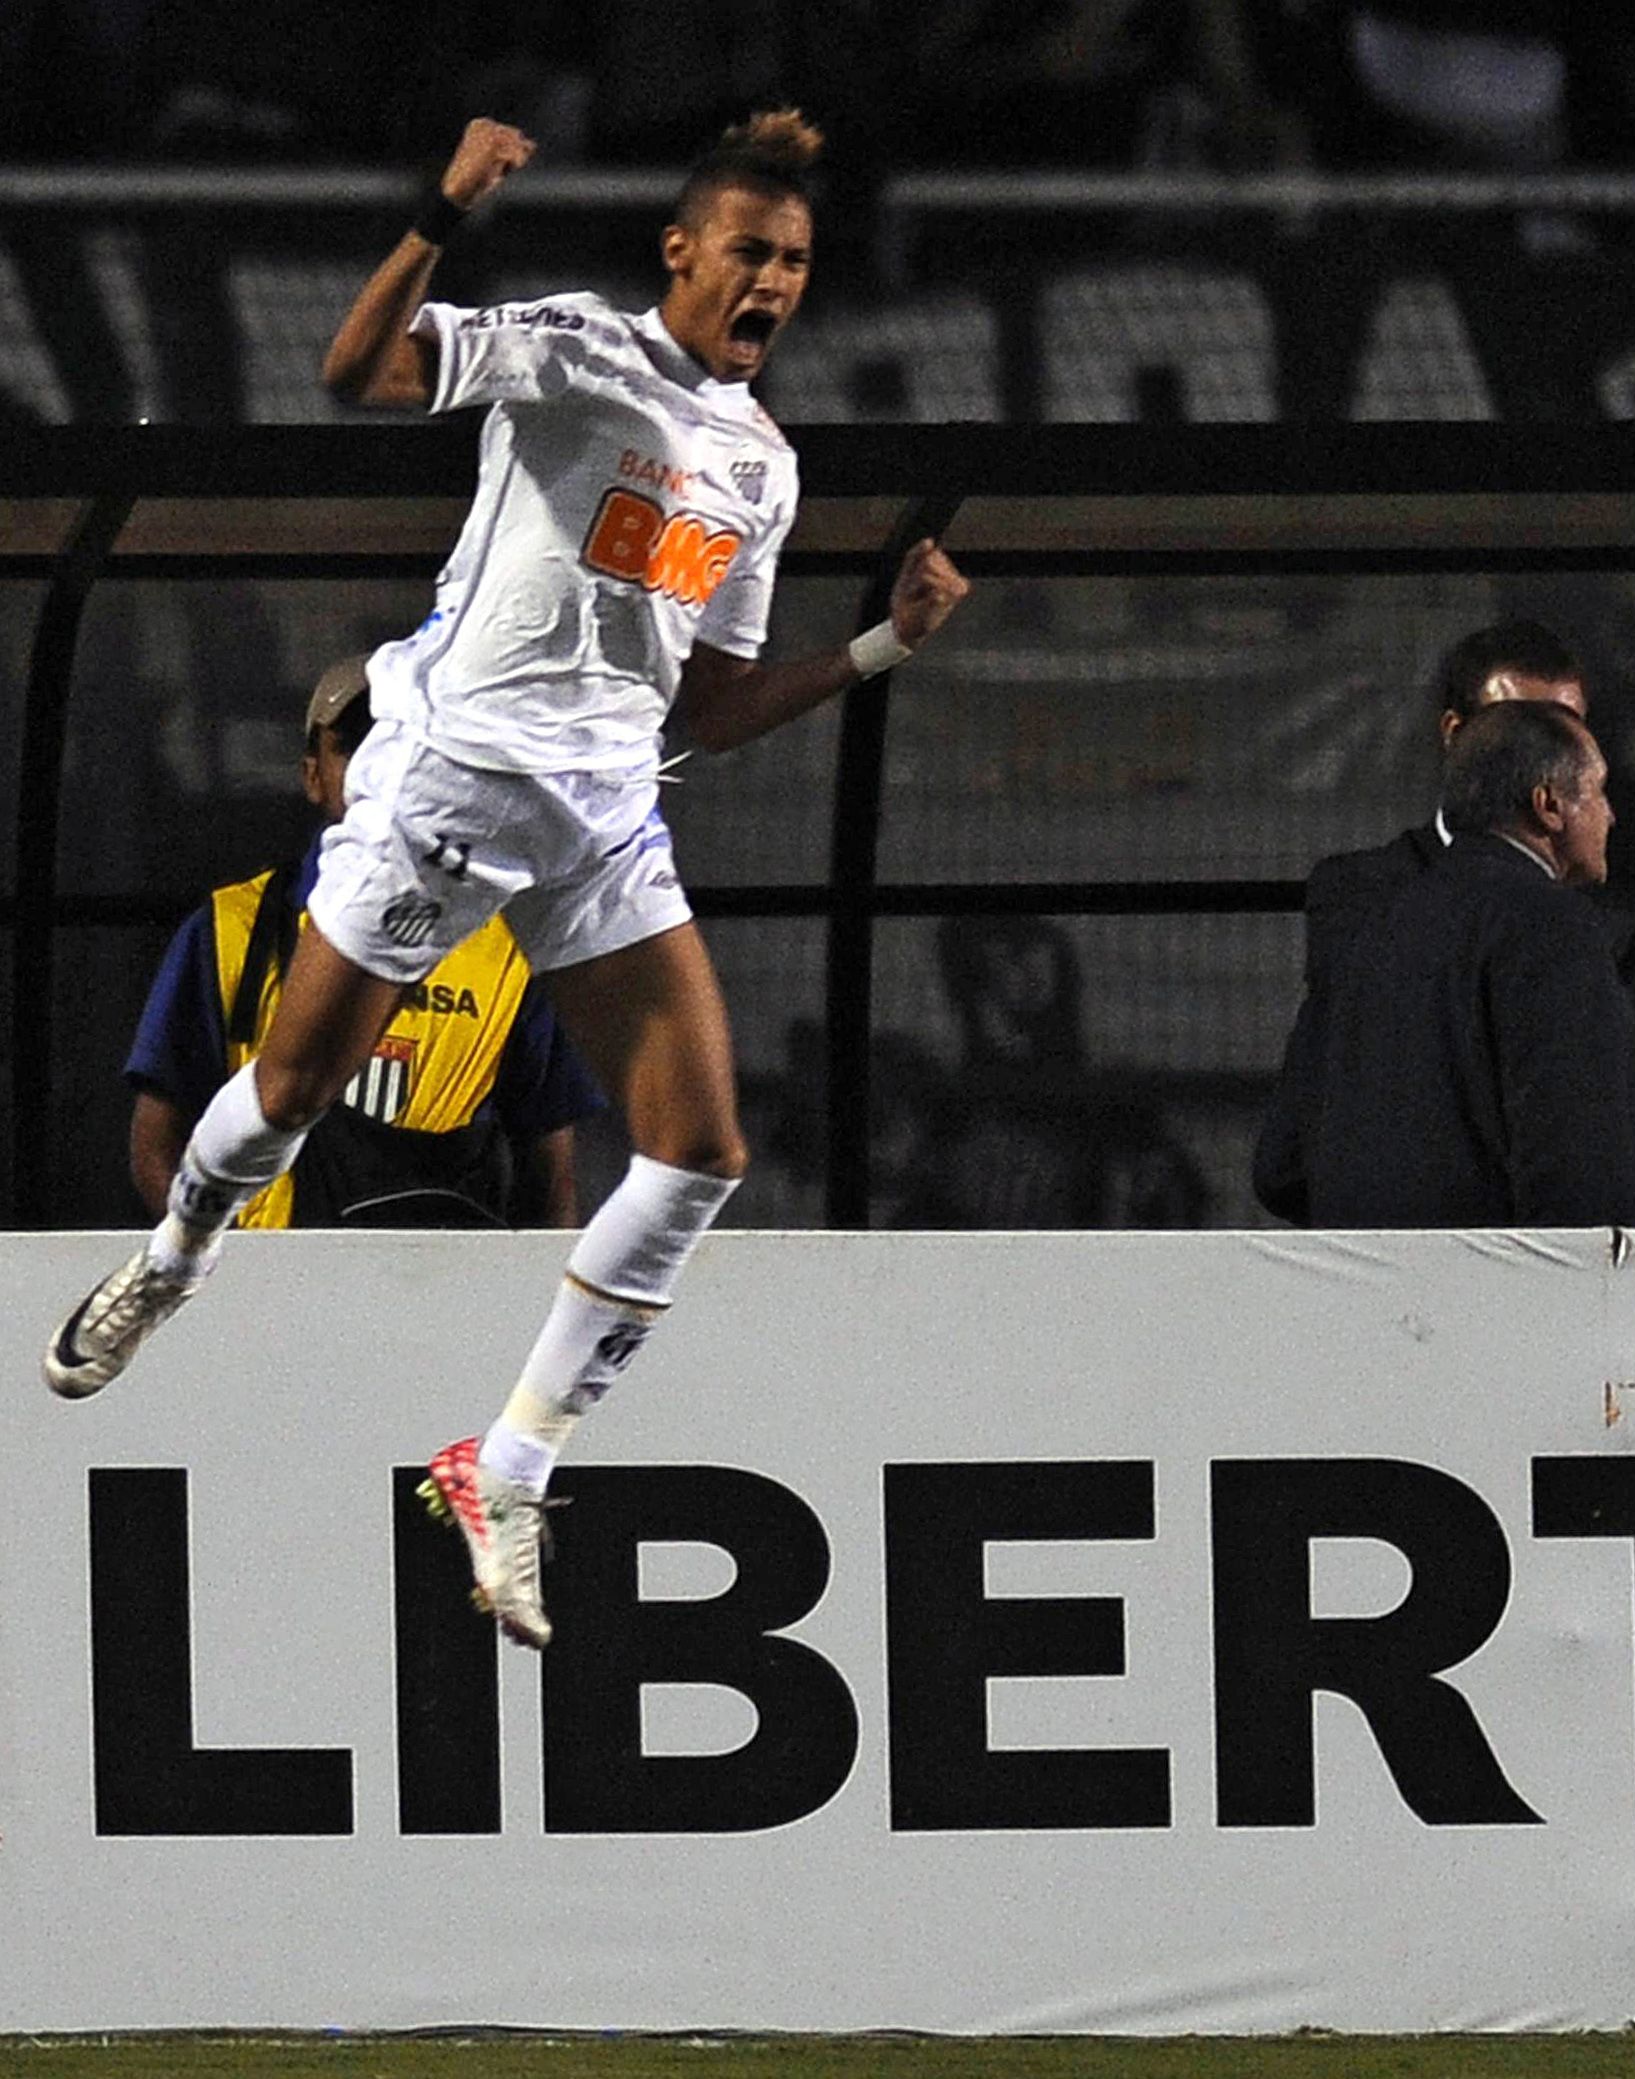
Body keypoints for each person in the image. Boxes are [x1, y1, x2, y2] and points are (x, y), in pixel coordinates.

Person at [40, 111, 972, 1656]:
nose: (775, 280)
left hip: (604, 818)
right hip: (449, 783)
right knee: (282, 1093)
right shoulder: (572, 349)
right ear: (681, 252)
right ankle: (171, 1259)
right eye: (750, 249)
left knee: (698, 1151)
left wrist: (884, 645)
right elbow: (355, 373)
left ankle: (509, 1461)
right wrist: (439, 213)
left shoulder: (764, 467)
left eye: (797, 261)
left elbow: (713, 707)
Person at [1251, 617, 1635, 1221]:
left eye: (1570, 727)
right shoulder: (1368, 898)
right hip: (1510, 1279)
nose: (1543, 741)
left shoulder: (1601, 910)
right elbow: (1591, 1179)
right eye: (1525, 727)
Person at [123, 656, 608, 1232]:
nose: (383, 764)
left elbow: (550, 1174)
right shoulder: (231, 928)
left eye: (405, 741)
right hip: (276, 1296)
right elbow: (156, 1145)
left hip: (441, 1296)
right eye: (358, 744)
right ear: (312, 776)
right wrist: (224, 1274)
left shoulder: (510, 945)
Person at [1289, 699, 1635, 1228]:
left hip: (1371, 1292)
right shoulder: (1554, 925)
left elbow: (1284, 1162)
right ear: (1549, 804)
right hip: (1512, 1293)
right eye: (1599, 790)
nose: (1611, 813)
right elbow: (1587, 1171)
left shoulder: (1369, 930)